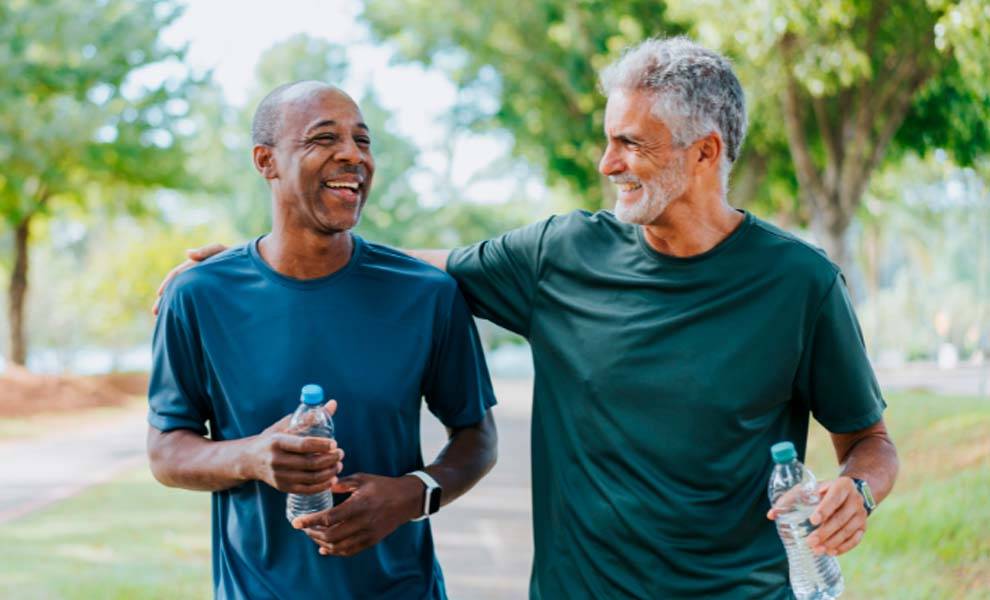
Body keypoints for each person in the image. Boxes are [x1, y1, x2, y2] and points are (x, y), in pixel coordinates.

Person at [156, 39, 898, 599]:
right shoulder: (561, 255)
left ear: (704, 153)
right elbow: (416, 267)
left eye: (629, 143)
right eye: (608, 138)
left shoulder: (801, 284)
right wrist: (255, 260)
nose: (607, 163)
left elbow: (869, 442)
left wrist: (855, 492)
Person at [148, 81, 498, 600]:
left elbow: (477, 438)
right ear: (266, 161)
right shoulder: (199, 295)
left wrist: (411, 495)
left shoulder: (427, 295)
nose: (352, 156)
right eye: (323, 139)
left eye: (363, 140)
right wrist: (253, 457)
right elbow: (166, 451)